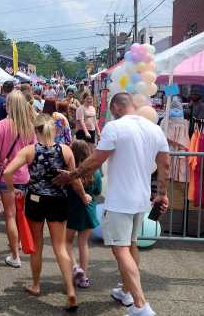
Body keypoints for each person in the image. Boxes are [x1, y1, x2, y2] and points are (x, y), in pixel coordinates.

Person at [56, 93, 171, 316]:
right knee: (131, 245)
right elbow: (164, 165)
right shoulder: (154, 129)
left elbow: (96, 159)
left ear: (117, 106)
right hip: (141, 198)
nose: (111, 113)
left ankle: (140, 304)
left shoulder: (114, 127)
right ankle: (127, 291)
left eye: (112, 109)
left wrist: (73, 174)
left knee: (120, 249)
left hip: (120, 199)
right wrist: (162, 194)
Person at [3, 113, 89, 312]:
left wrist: (13, 189)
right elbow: (74, 178)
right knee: (60, 248)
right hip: (58, 201)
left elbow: (8, 172)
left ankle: (35, 284)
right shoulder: (66, 150)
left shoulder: (29, 151)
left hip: (35, 200)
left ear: (36, 130)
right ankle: (70, 291)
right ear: (55, 129)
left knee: (37, 245)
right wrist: (84, 196)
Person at [0, 91, 36, 268]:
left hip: (7, 175)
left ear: (8, 105)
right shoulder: (30, 126)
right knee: (21, 213)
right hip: (25, 176)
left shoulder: (1, 125)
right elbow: (32, 153)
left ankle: (15, 255)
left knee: (10, 215)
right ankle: (19, 244)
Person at [66, 140, 102, 289]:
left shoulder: (70, 171)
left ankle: (75, 267)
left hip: (73, 208)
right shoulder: (95, 171)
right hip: (89, 209)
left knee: (65, 242)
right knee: (83, 243)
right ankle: (84, 277)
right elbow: (98, 191)